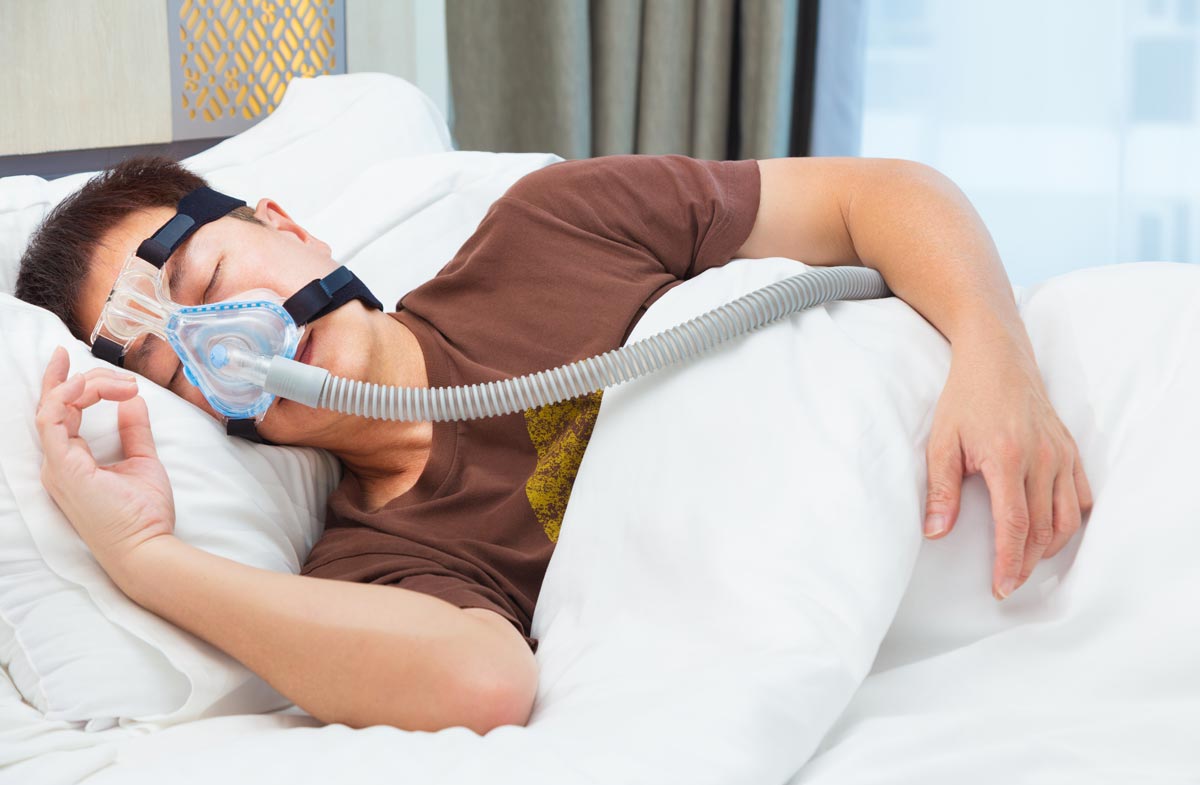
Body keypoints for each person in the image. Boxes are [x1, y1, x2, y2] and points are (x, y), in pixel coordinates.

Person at [16, 153, 1093, 735]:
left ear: (287, 223)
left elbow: (874, 196)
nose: (228, 336)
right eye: (173, 361)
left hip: (1030, 444)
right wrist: (147, 559)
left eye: (207, 282)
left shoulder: (549, 228)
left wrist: (997, 358)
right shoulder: (376, 566)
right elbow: (481, 679)